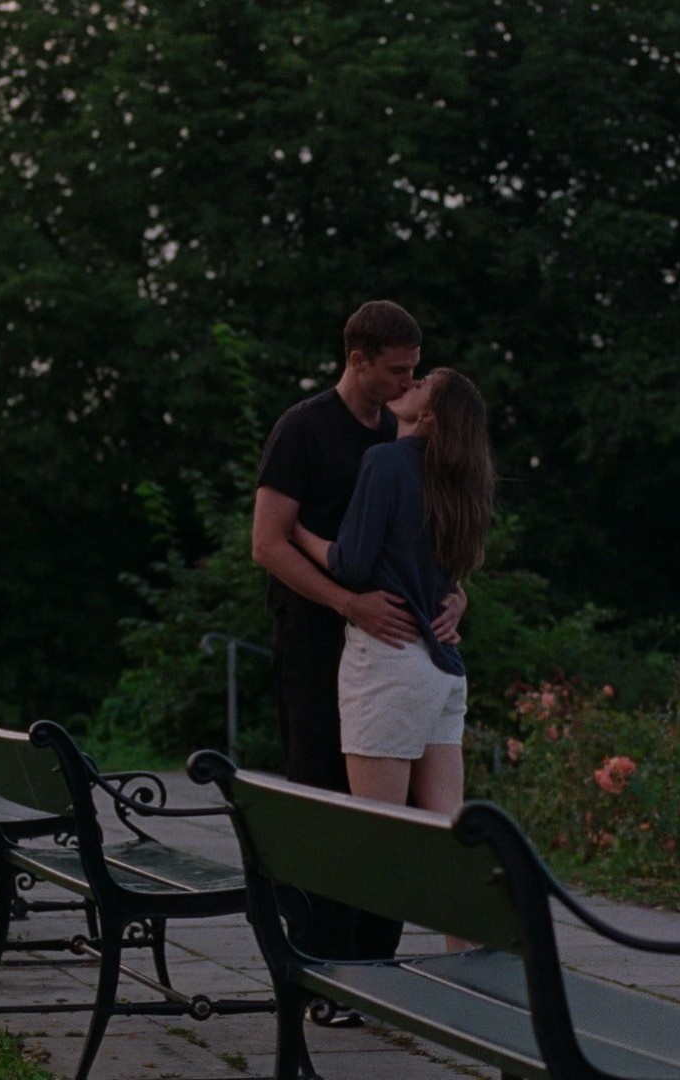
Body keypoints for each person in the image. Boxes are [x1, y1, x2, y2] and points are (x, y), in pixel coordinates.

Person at [250, 300, 463, 970]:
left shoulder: (405, 435)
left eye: (414, 370)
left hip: (394, 648)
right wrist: (349, 604)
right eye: (396, 370)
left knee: (388, 813)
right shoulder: (303, 430)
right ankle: (320, 967)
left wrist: (458, 595)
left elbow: (431, 537)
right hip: (315, 640)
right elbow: (267, 543)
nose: (408, 382)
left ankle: (375, 962)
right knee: (321, 797)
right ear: (357, 360)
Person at [291, 368, 493, 820]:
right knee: (444, 824)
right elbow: (443, 573)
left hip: (389, 661)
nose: (411, 382)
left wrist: (297, 533)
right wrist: (459, 598)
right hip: (443, 669)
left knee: (378, 828)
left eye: (423, 385)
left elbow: (351, 564)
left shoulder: (386, 461)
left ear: (430, 417)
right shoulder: (458, 483)